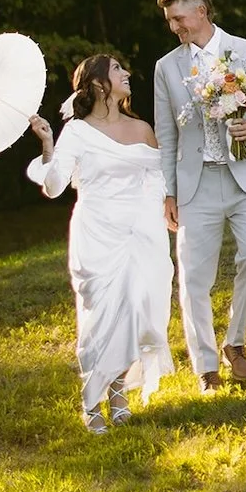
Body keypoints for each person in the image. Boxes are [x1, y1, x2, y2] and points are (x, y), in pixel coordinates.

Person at [27, 53, 175, 435]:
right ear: (97, 84)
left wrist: (162, 211)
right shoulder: (77, 132)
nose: (126, 73)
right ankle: (91, 403)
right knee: (100, 317)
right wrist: (48, 143)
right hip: (97, 233)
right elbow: (54, 187)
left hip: (141, 233)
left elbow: (158, 179)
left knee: (138, 309)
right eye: (117, 69)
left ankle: (119, 394)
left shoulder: (142, 128)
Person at [153, 0, 246, 394]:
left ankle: (236, 342)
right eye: (170, 21)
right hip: (195, 184)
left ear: (201, 12)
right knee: (193, 277)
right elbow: (166, 134)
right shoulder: (166, 67)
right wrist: (168, 192)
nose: (174, 27)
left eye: (178, 18)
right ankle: (206, 368)